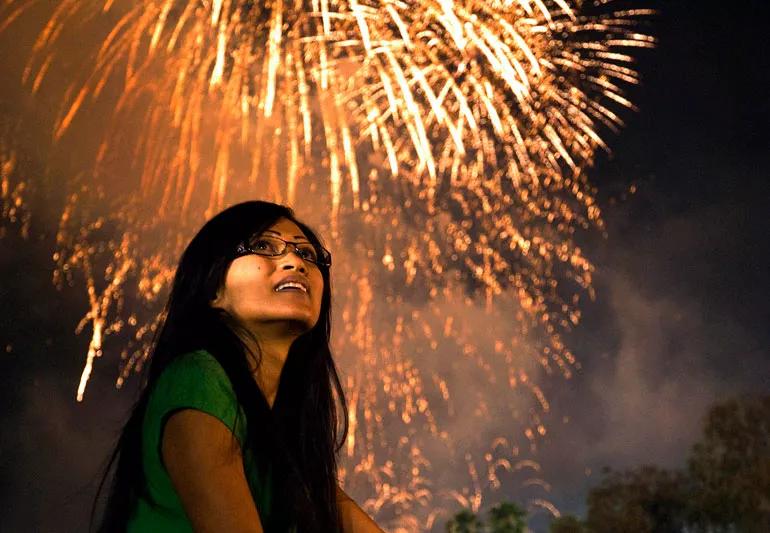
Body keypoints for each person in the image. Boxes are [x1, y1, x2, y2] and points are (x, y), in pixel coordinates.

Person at [90, 200, 384, 532]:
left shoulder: (282, 443)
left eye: (307, 254)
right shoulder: (199, 378)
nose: (295, 262)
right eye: (263, 246)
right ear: (214, 288)